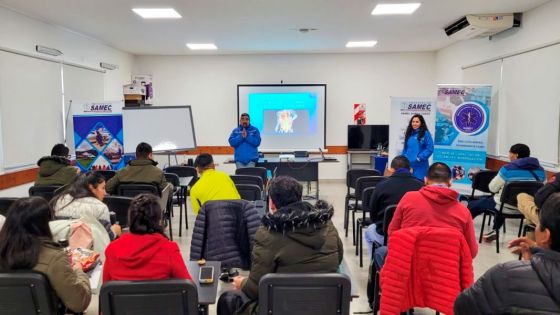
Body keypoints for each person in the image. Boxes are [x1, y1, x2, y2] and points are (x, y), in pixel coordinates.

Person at [217, 176, 343, 315]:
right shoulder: (327, 225)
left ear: (271, 203)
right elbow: (338, 258)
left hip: (282, 308)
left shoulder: (268, 234)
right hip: (324, 306)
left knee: (227, 299)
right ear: (300, 197)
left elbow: (255, 289)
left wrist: (242, 282)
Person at [454, 193, 560, 314]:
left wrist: (530, 267)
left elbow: (462, 307)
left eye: (538, 223)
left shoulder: (505, 276)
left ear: (545, 236)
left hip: (502, 205)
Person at [375, 162, 478, 268]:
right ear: (450, 182)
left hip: (409, 266)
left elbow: (392, 233)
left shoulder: (408, 199)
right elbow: (472, 252)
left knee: (380, 252)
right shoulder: (463, 212)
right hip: (446, 272)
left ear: (425, 180)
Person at [0, 197, 91, 313]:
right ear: (43, 225)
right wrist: (79, 271)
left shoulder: (4, 251)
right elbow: (79, 303)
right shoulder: (54, 258)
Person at [103, 194, 192, 281]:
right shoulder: (169, 249)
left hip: (121, 296)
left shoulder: (112, 250)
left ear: (131, 220)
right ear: (159, 221)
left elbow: (105, 291)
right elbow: (188, 289)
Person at [468, 143, 545, 242]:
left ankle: (464, 229)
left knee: (474, 204)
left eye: (510, 153)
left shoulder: (508, 169)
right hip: (526, 209)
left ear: (516, 155)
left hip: (504, 206)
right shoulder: (541, 171)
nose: (509, 155)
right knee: (500, 200)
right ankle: (495, 230)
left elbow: (492, 188)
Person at [363, 155, 423, 254]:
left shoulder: (381, 186)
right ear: (410, 170)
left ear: (391, 169)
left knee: (369, 231)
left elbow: (373, 215)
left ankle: (377, 264)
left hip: (385, 235)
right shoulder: (421, 187)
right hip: (413, 235)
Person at [51, 172, 121, 239]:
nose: (105, 193)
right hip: (91, 250)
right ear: (91, 188)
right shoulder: (100, 208)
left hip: (61, 247)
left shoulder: (58, 201)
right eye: (103, 188)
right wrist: (115, 231)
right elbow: (106, 238)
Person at [402, 114, 434, 180]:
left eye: (417, 122)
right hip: (408, 165)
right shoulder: (409, 133)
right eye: (413, 122)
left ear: (421, 123)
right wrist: (403, 159)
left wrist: (419, 158)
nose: (414, 123)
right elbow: (405, 148)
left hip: (420, 165)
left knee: (419, 185)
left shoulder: (425, 133)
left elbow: (430, 148)